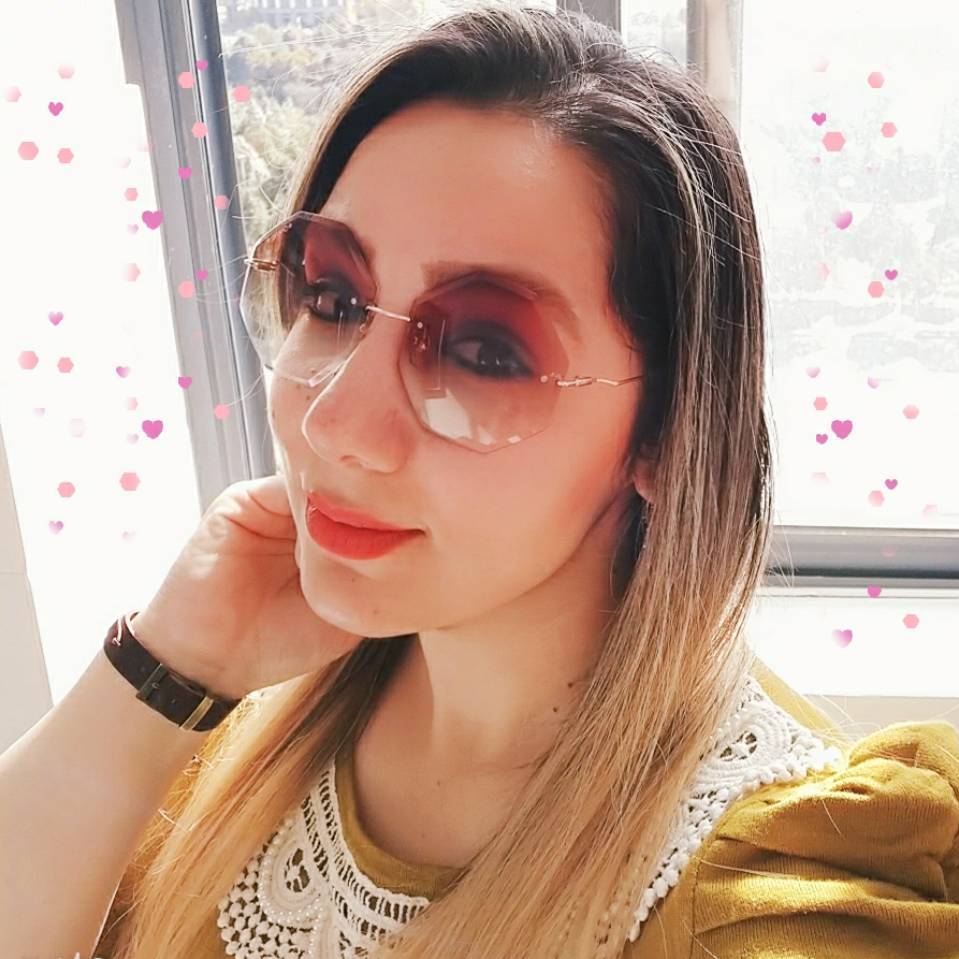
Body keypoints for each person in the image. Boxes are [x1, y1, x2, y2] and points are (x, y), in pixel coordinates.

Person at [2, 3, 957, 958]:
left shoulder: (755, 899)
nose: (334, 424)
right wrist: (165, 667)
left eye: (483, 354)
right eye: (332, 298)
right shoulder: (236, 719)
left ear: (668, 433)